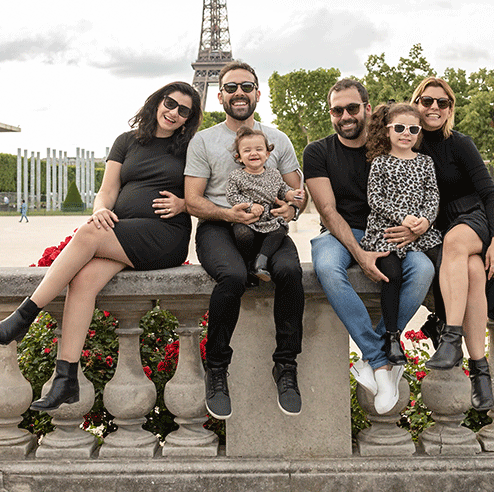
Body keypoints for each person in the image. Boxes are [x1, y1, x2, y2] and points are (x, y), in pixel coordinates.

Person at [0, 82, 202, 411]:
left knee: (87, 234)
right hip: (123, 232)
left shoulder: (190, 149)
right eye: (169, 103)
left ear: (188, 119)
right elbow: (107, 190)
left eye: (182, 110)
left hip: (165, 235)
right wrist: (100, 209)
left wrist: (184, 204)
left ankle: (24, 316)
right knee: (84, 280)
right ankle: (66, 379)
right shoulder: (126, 141)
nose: (173, 112)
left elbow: (207, 195)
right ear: (157, 103)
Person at [304, 78, 435, 414]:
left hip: (390, 232)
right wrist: (360, 254)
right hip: (339, 234)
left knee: (422, 269)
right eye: (337, 110)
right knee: (328, 269)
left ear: (366, 108)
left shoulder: (391, 145)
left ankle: (374, 355)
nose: (344, 115)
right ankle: (382, 360)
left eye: (351, 108)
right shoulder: (317, 152)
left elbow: (421, 194)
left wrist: (419, 227)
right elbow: (328, 212)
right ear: (330, 113)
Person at [184, 61, 307, 419]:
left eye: (247, 86)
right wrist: (228, 213)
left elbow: (297, 193)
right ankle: (217, 368)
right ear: (219, 94)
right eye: (232, 87)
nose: (239, 92)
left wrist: (292, 208)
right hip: (220, 226)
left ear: (257, 92)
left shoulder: (278, 139)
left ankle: (285, 365)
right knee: (234, 277)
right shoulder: (203, 140)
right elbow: (193, 200)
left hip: (268, 225)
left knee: (290, 272)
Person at [411, 76, 494, 411]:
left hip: (484, 216)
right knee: (473, 271)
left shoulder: (460, 143)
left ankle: (450, 337)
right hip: (452, 225)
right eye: (427, 100)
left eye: (442, 102)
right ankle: (480, 371)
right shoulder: (410, 144)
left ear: (450, 109)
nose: (434, 107)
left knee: (456, 244)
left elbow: (491, 195)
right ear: (416, 104)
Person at [360, 103, 443, 368]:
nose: (406, 133)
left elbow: (433, 196)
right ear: (387, 131)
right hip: (386, 232)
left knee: (442, 263)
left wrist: (426, 222)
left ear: (419, 132)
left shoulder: (425, 162)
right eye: (399, 128)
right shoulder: (381, 162)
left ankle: (440, 322)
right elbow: (375, 199)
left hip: (420, 232)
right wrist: (403, 218)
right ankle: (392, 336)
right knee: (392, 274)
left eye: (413, 129)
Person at [225, 126, 300, 284]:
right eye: (247, 151)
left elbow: (282, 190)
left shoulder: (274, 174)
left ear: (267, 154)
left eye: (259, 149)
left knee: (280, 230)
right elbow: (232, 195)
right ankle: (249, 263)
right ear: (239, 157)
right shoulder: (237, 176)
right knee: (242, 234)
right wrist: (250, 206)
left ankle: (261, 261)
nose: (253, 153)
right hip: (249, 219)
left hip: (269, 218)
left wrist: (291, 195)